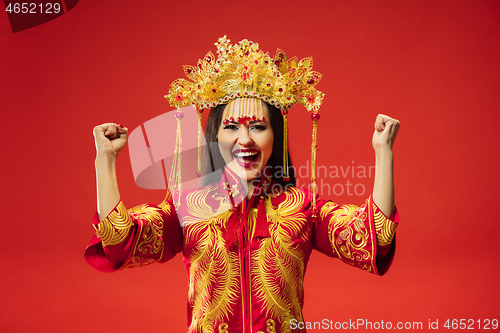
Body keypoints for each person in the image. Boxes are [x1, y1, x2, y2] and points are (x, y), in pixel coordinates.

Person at [85, 36, 400, 333]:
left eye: (259, 127)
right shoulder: (189, 207)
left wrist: (383, 153)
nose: (245, 140)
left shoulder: (303, 207)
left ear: (276, 136)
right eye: (231, 127)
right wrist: (105, 161)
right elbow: (120, 240)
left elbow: (371, 236)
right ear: (215, 135)